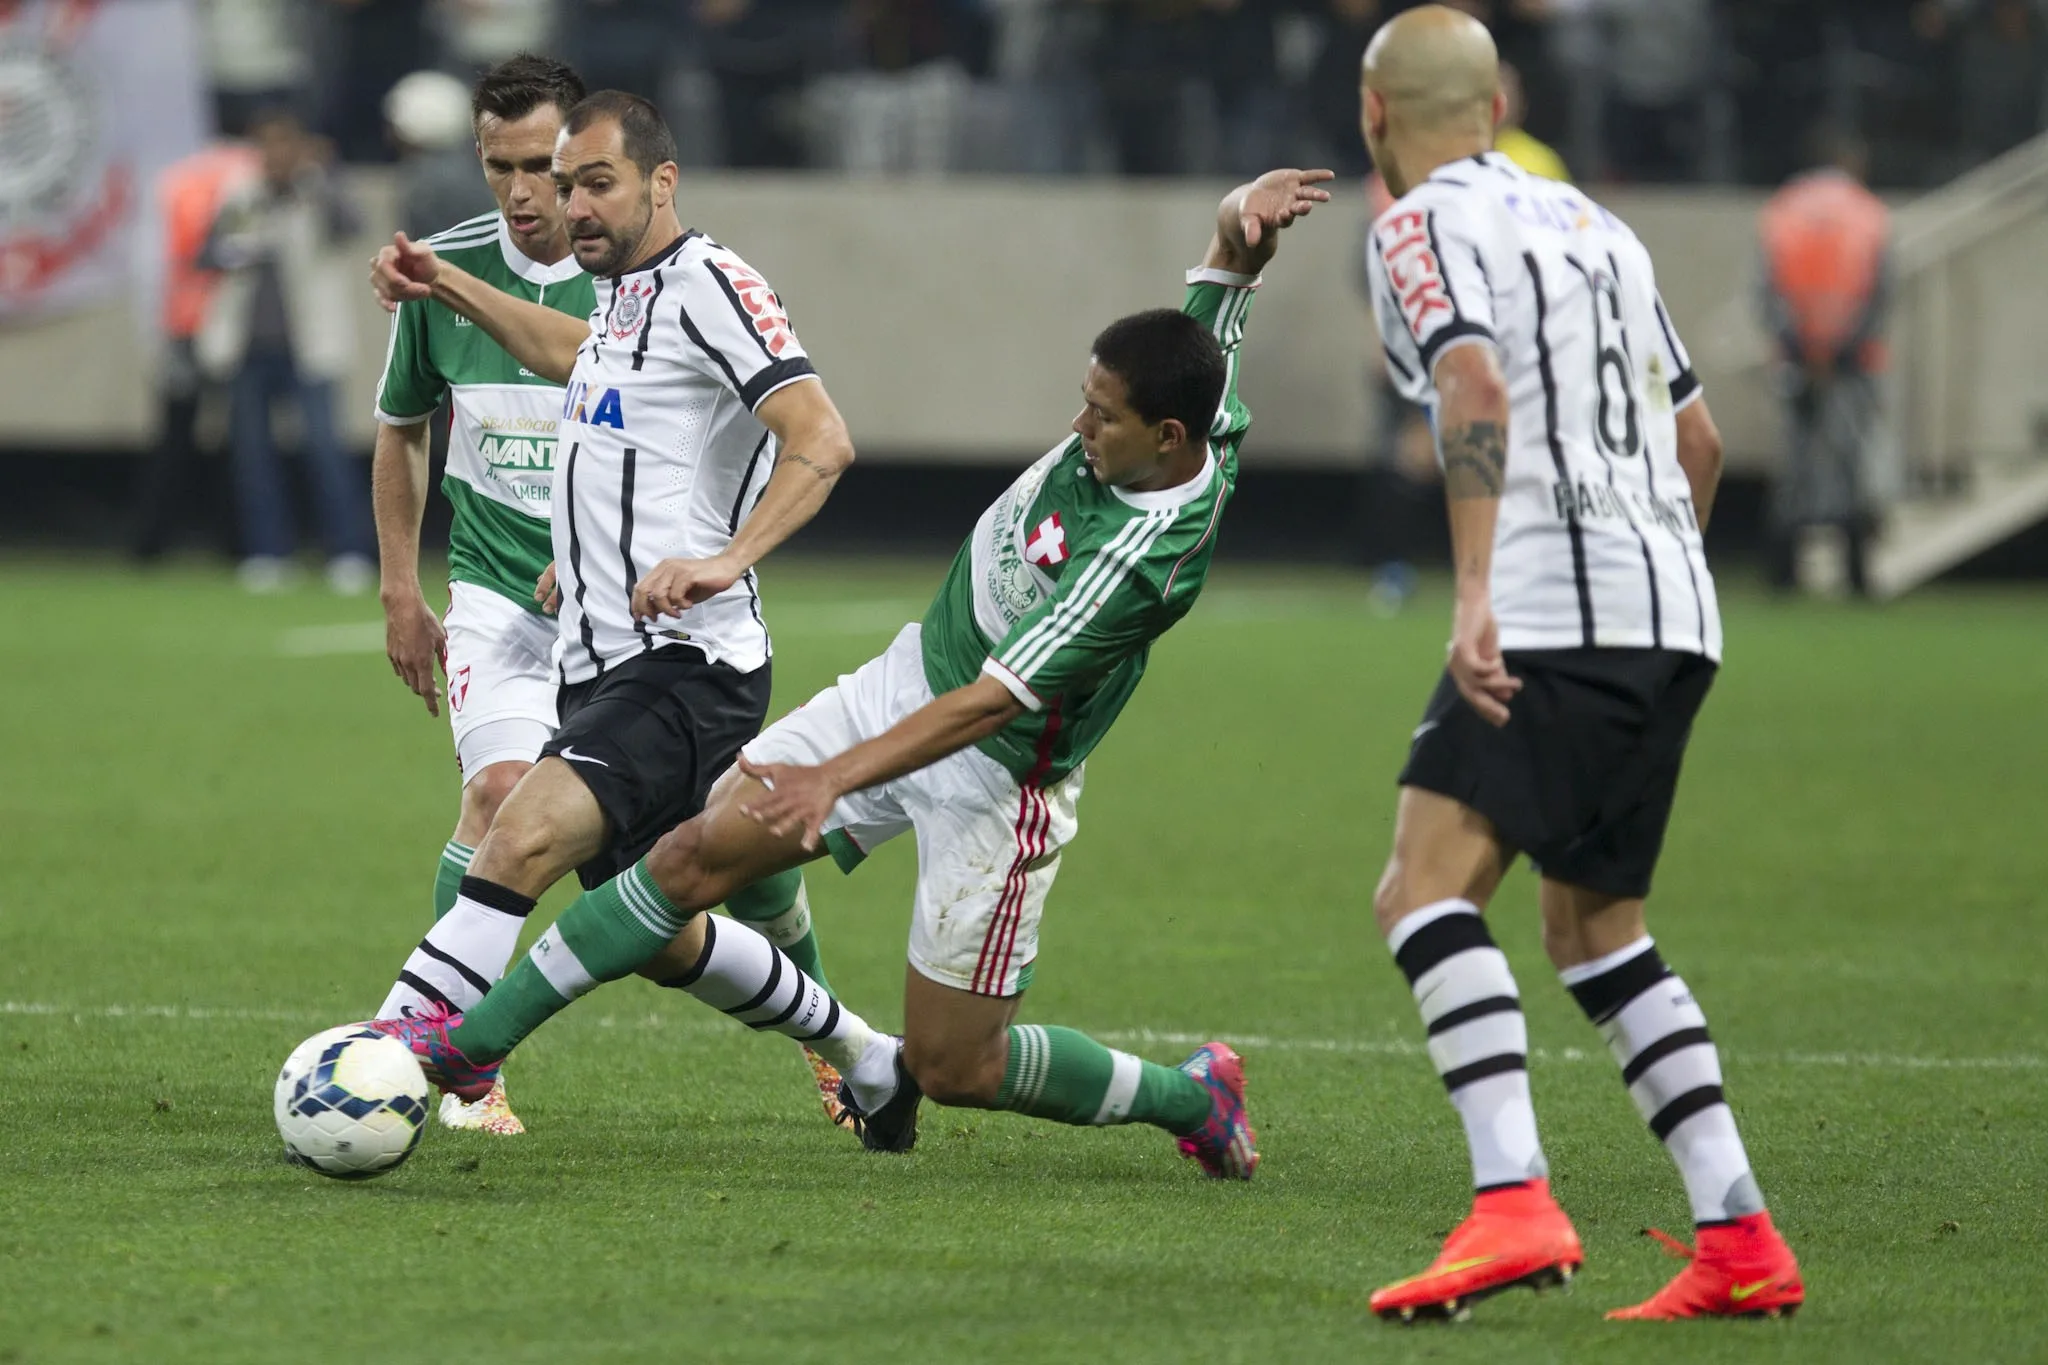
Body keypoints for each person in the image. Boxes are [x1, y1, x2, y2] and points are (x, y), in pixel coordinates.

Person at [368, 167, 1334, 1178]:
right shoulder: (1194, 411)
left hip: (995, 772)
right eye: (1081, 402)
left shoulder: (1144, 559)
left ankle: (1190, 1094)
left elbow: (989, 704)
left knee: (957, 1063)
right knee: (692, 856)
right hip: (909, 677)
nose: (1080, 428)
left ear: (1166, 440)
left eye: (1101, 418)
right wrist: (1239, 233)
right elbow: (1215, 301)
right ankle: (467, 1047)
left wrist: (834, 781)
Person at [1356, 7, 1801, 1323]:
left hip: (1554, 608)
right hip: (1673, 609)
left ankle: (1512, 1202)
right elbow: (1702, 440)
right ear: (1497, 105)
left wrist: (1480, 594)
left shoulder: (1417, 222)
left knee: (1422, 891)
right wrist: (1652, 586)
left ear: (1376, 118)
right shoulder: (1601, 227)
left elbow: (1473, 390)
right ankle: (1738, 1237)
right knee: (1595, 932)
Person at [364, 90, 862, 1129]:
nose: (570, 205)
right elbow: (565, 355)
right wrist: (444, 280)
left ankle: (391, 1063)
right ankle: (861, 1051)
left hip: (683, 666)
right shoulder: (620, 296)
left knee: (515, 832)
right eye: (562, 184)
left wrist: (728, 558)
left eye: (596, 183)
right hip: (598, 661)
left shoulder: (712, 282)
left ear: (659, 182)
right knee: (655, 920)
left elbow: (820, 437)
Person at [368, 54, 590, 1135]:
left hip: (640, 616)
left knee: (724, 867)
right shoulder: (439, 272)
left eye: (539, 165)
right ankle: (464, 1061)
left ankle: (836, 1050)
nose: (517, 191)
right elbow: (402, 432)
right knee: (499, 793)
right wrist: (400, 592)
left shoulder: (657, 280)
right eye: (497, 164)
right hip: (498, 598)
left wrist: (619, 551)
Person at [196, 106, 374, 594]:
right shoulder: (243, 197)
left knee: (325, 451)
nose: (275, 158)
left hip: (310, 347)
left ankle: (349, 552)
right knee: (254, 458)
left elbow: (352, 225)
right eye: (266, 148)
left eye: (284, 146)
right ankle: (267, 553)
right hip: (248, 347)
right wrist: (238, 248)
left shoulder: (317, 194)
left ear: (300, 150)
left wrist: (325, 175)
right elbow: (206, 254)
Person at [1758, 131, 1891, 596]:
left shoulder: (1783, 208)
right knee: (1851, 461)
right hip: (1852, 361)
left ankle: (1783, 573)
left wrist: (1798, 344)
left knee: (1796, 465)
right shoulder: (1868, 211)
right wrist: (1841, 348)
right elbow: (1880, 288)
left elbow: (1767, 286)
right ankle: (1856, 573)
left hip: (1795, 356)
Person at [131, 139, 261, 562]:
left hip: (182, 322)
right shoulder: (248, 172)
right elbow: (227, 252)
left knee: (176, 437)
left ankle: (151, 542)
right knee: (239, 439)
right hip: (228, 326)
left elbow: (169, 255)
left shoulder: (176, 177)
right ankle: (237, 544)